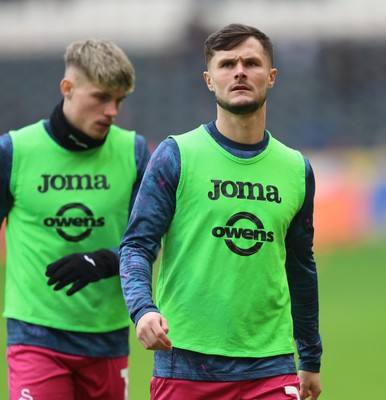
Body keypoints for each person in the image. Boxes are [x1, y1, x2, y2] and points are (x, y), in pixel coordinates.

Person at [119, 23, 322, 400]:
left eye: (251, 62)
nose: (240, 71)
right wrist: (143, 309)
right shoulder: (175, 155)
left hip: (271, 367)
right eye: (228, 64)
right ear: (209, 80)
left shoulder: (296, 169)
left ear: (272, 77)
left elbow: (301, 266)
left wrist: (310, 357)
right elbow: (136, 245)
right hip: (185, 364)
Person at [0, 38, 150, 400]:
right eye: (101, 98)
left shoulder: (134, 152)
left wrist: (103, 261)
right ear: (68, 89)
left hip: (108, 336)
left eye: (119, 100)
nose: (112, 110)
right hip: (36, 335)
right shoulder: (14, 151)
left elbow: (148, 241)